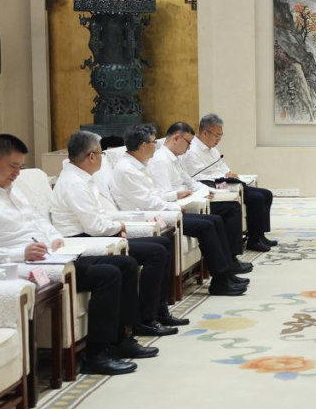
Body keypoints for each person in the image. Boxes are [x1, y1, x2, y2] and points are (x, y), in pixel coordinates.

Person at [0, 134, 152, 376]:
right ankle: (96, 355)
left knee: (126, 264)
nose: (17, 173)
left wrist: (53, 238)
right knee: (108, 274)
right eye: (13, 166)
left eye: (20, 167)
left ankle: (122, 339)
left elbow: (38, 222)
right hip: (26, 266)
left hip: (52, 257)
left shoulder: (12, 192)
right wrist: (20, 252)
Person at [51, 130, 191, 334]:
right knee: (154, 252)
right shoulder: (74, 184)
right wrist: (120, 227)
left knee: (162, 243)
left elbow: (100, 216)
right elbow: (95, 227)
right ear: (92, 156)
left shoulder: (83, 179)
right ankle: (144, 319)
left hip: (94, 237)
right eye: (101, 153)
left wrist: (119, 224)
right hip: (81, 242)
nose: (102, 158)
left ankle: (158, 311)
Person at [111, 125, 249, 297]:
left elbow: (155, 195)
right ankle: (220, 281)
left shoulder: (140, 165)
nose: (157, 145)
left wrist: (176, 196)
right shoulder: (127, 170)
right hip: (145, 218)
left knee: (214, 220)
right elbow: (148, 202)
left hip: (159, 211)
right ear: (143, 146)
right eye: (154, 142)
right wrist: (175, 206)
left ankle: (226, 275)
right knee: (206, 226)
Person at [150, 121, 247, 263]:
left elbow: (190, 182)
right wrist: (179, 194)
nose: (189, 148)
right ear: (176, 138)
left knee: (229, 206)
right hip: (179, 206)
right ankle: (230, 260)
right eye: (188, 143)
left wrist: (207, 191)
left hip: (189, 199)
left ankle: (229, 260)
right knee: (230, 209)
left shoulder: (173, 158)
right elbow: (163, 195)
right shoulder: (160, 160)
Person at [180, 113, 276, 252]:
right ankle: (254, 240)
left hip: (228, 183)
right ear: (205, 133)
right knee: (257, 198)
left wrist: (228, 173)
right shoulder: (192, 151)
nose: (219, 139)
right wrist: (223, 175)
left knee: (267, 194)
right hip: (216, 186)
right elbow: (197, 176)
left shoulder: (212, 149)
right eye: (217, 135)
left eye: (221, 135)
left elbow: (222, 165)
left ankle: (260, 235)